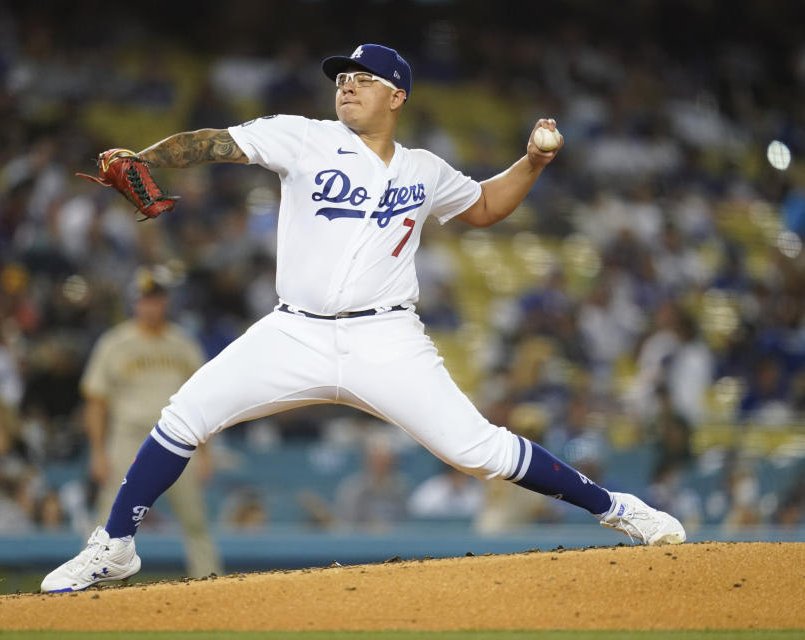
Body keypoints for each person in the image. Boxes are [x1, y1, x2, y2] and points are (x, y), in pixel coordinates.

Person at [41, 43, 685, 592]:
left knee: (477, 449)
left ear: (397, 95)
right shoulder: (304, 136)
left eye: (363, 78)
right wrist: (148, 157)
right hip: (295, 330)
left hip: (386, 335)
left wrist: (535, 163)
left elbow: (486, 206)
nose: (346, 85)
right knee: (184, 414)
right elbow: (215, 143)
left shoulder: (423, 169)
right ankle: (115, 545)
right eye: (342, 78)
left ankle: (618, 509)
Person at [76, 267, 222, 578]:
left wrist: (207, 454)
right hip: (128, 436)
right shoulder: (115, 343)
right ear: (135, 303)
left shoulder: (183, 343)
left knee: (194, 518)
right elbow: (96, 402)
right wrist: (98, 452)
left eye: (156, 299)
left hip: (179, 437)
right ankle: (95, 584)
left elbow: (203, 398)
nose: (151, 306)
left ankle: (208, 582)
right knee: (109, 519)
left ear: (165, 303)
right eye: (145, 299)